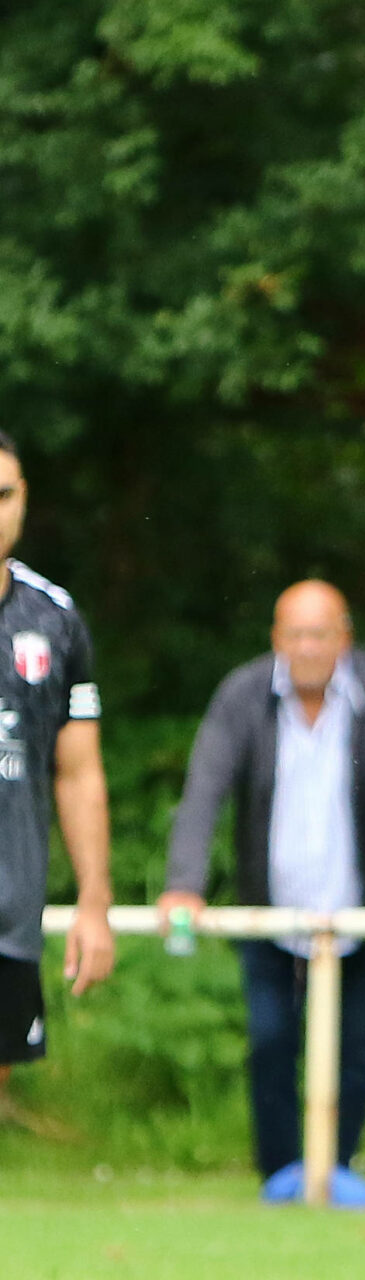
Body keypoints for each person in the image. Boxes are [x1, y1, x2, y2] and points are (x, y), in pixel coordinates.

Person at [162, 581, 365, 1208]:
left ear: (346, 638)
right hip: (270, 911)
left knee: (354, 1051)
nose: (308, 647)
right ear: (276, 639)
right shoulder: (242, 692)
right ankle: (282, 1174)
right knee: (271, 1040)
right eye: (296, 634)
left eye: (322, 633)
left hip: (358, 910)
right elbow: (204, 790)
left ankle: (335, 1171)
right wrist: (184, 884)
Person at [0, 431, 115, 1127]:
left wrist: (94, 904)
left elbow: (78, 773)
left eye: (4, 494)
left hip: (7, 911)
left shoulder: (54, 618)